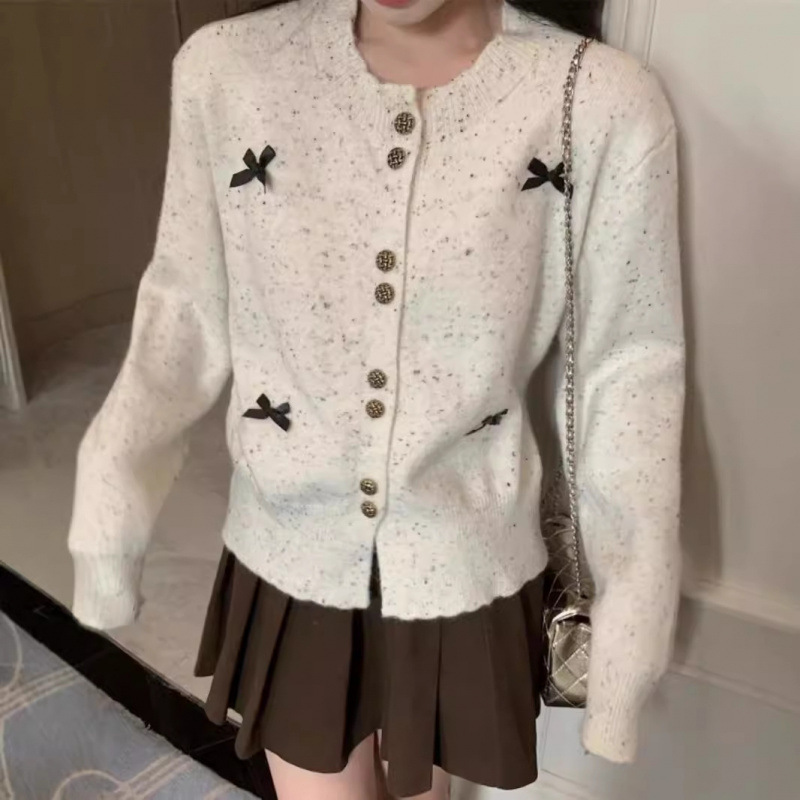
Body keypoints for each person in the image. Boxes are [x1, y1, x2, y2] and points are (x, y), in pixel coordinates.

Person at [67, 0, 685, 798]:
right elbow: (183, 310)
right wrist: (110, 506)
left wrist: (629, 635)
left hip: (468, 565)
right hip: (290, 561)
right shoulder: (226, 71)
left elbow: (629, 372)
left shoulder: (601, 99)